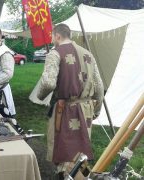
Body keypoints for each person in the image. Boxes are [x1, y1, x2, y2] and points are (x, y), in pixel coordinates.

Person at [36, 23, 104, 179]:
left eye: (53, 37)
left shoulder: (55, 53)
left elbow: (47, 83)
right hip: (86, 109)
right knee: (81, 150)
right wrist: (97, 110)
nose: (52, 40)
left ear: (57, 36)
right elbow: (99, 86)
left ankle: (70, 176)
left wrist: (39, 96)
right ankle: (85, 176)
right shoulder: (88, 54)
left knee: (65, 152)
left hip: (66, 110)